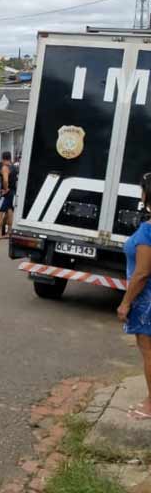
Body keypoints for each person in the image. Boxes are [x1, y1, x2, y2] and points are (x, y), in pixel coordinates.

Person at [117, 172, 151, 421]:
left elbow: (141, 273)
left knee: (149, 351)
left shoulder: (148, 232)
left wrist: (125, 303)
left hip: (146, 302)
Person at [0, 151, 17, 240]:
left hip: (7, 193)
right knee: (10, 212)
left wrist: (5, 189)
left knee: (0, 213)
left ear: (2, 158)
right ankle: (9, 232)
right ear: (10, 157)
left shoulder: (5, 167)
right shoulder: (14, 167)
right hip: (13, 191)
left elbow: (5, 180)